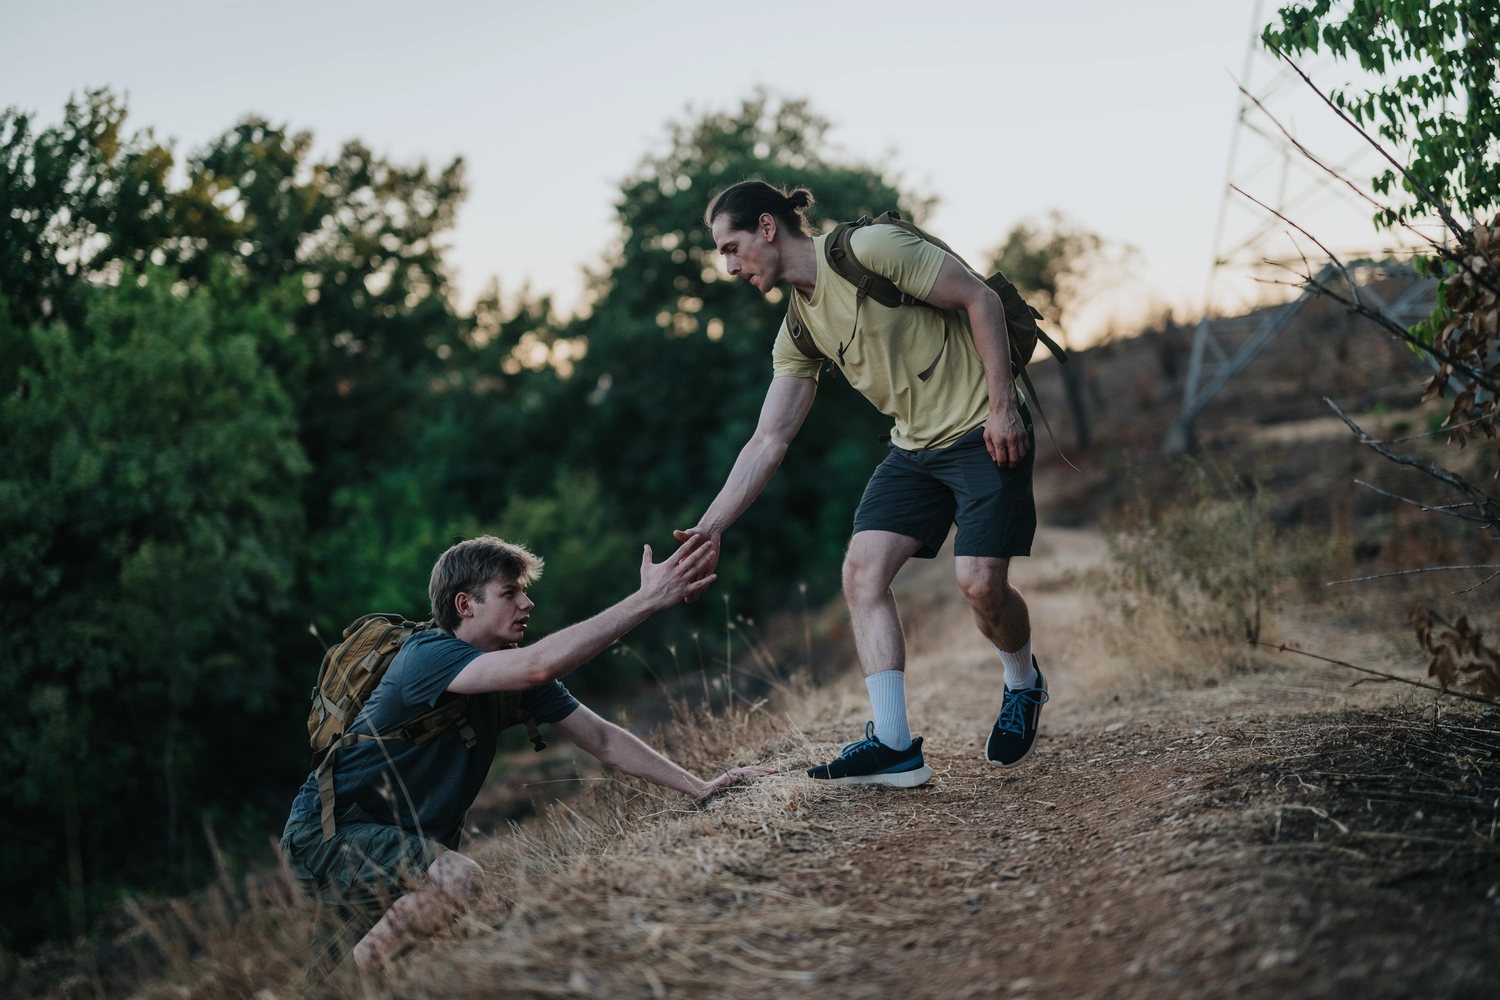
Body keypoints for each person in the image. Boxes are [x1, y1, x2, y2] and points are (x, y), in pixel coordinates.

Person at [676, 180, 1047, 788]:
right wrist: (711, 527)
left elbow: (979, 299)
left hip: (982, 427)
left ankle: (1023, 681)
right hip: (913, 450)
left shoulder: (870, 249)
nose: (729, 265)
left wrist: (1004, 406)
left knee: (980, 584)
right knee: (861, 573)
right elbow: (768, 440)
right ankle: (894, 746)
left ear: (768, 227)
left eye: (731, 247)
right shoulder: (798, 330)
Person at [279, 535, 773, 970]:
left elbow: (600, 739)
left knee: (328, 983)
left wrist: (701, 787)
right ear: (465, 605)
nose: (527, 603)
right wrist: (646, 600)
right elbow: (539, 667)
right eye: (510, 592)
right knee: (456, 880)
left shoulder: (509, 674)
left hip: (396, 840)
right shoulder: (427, 657)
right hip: (330, 830)